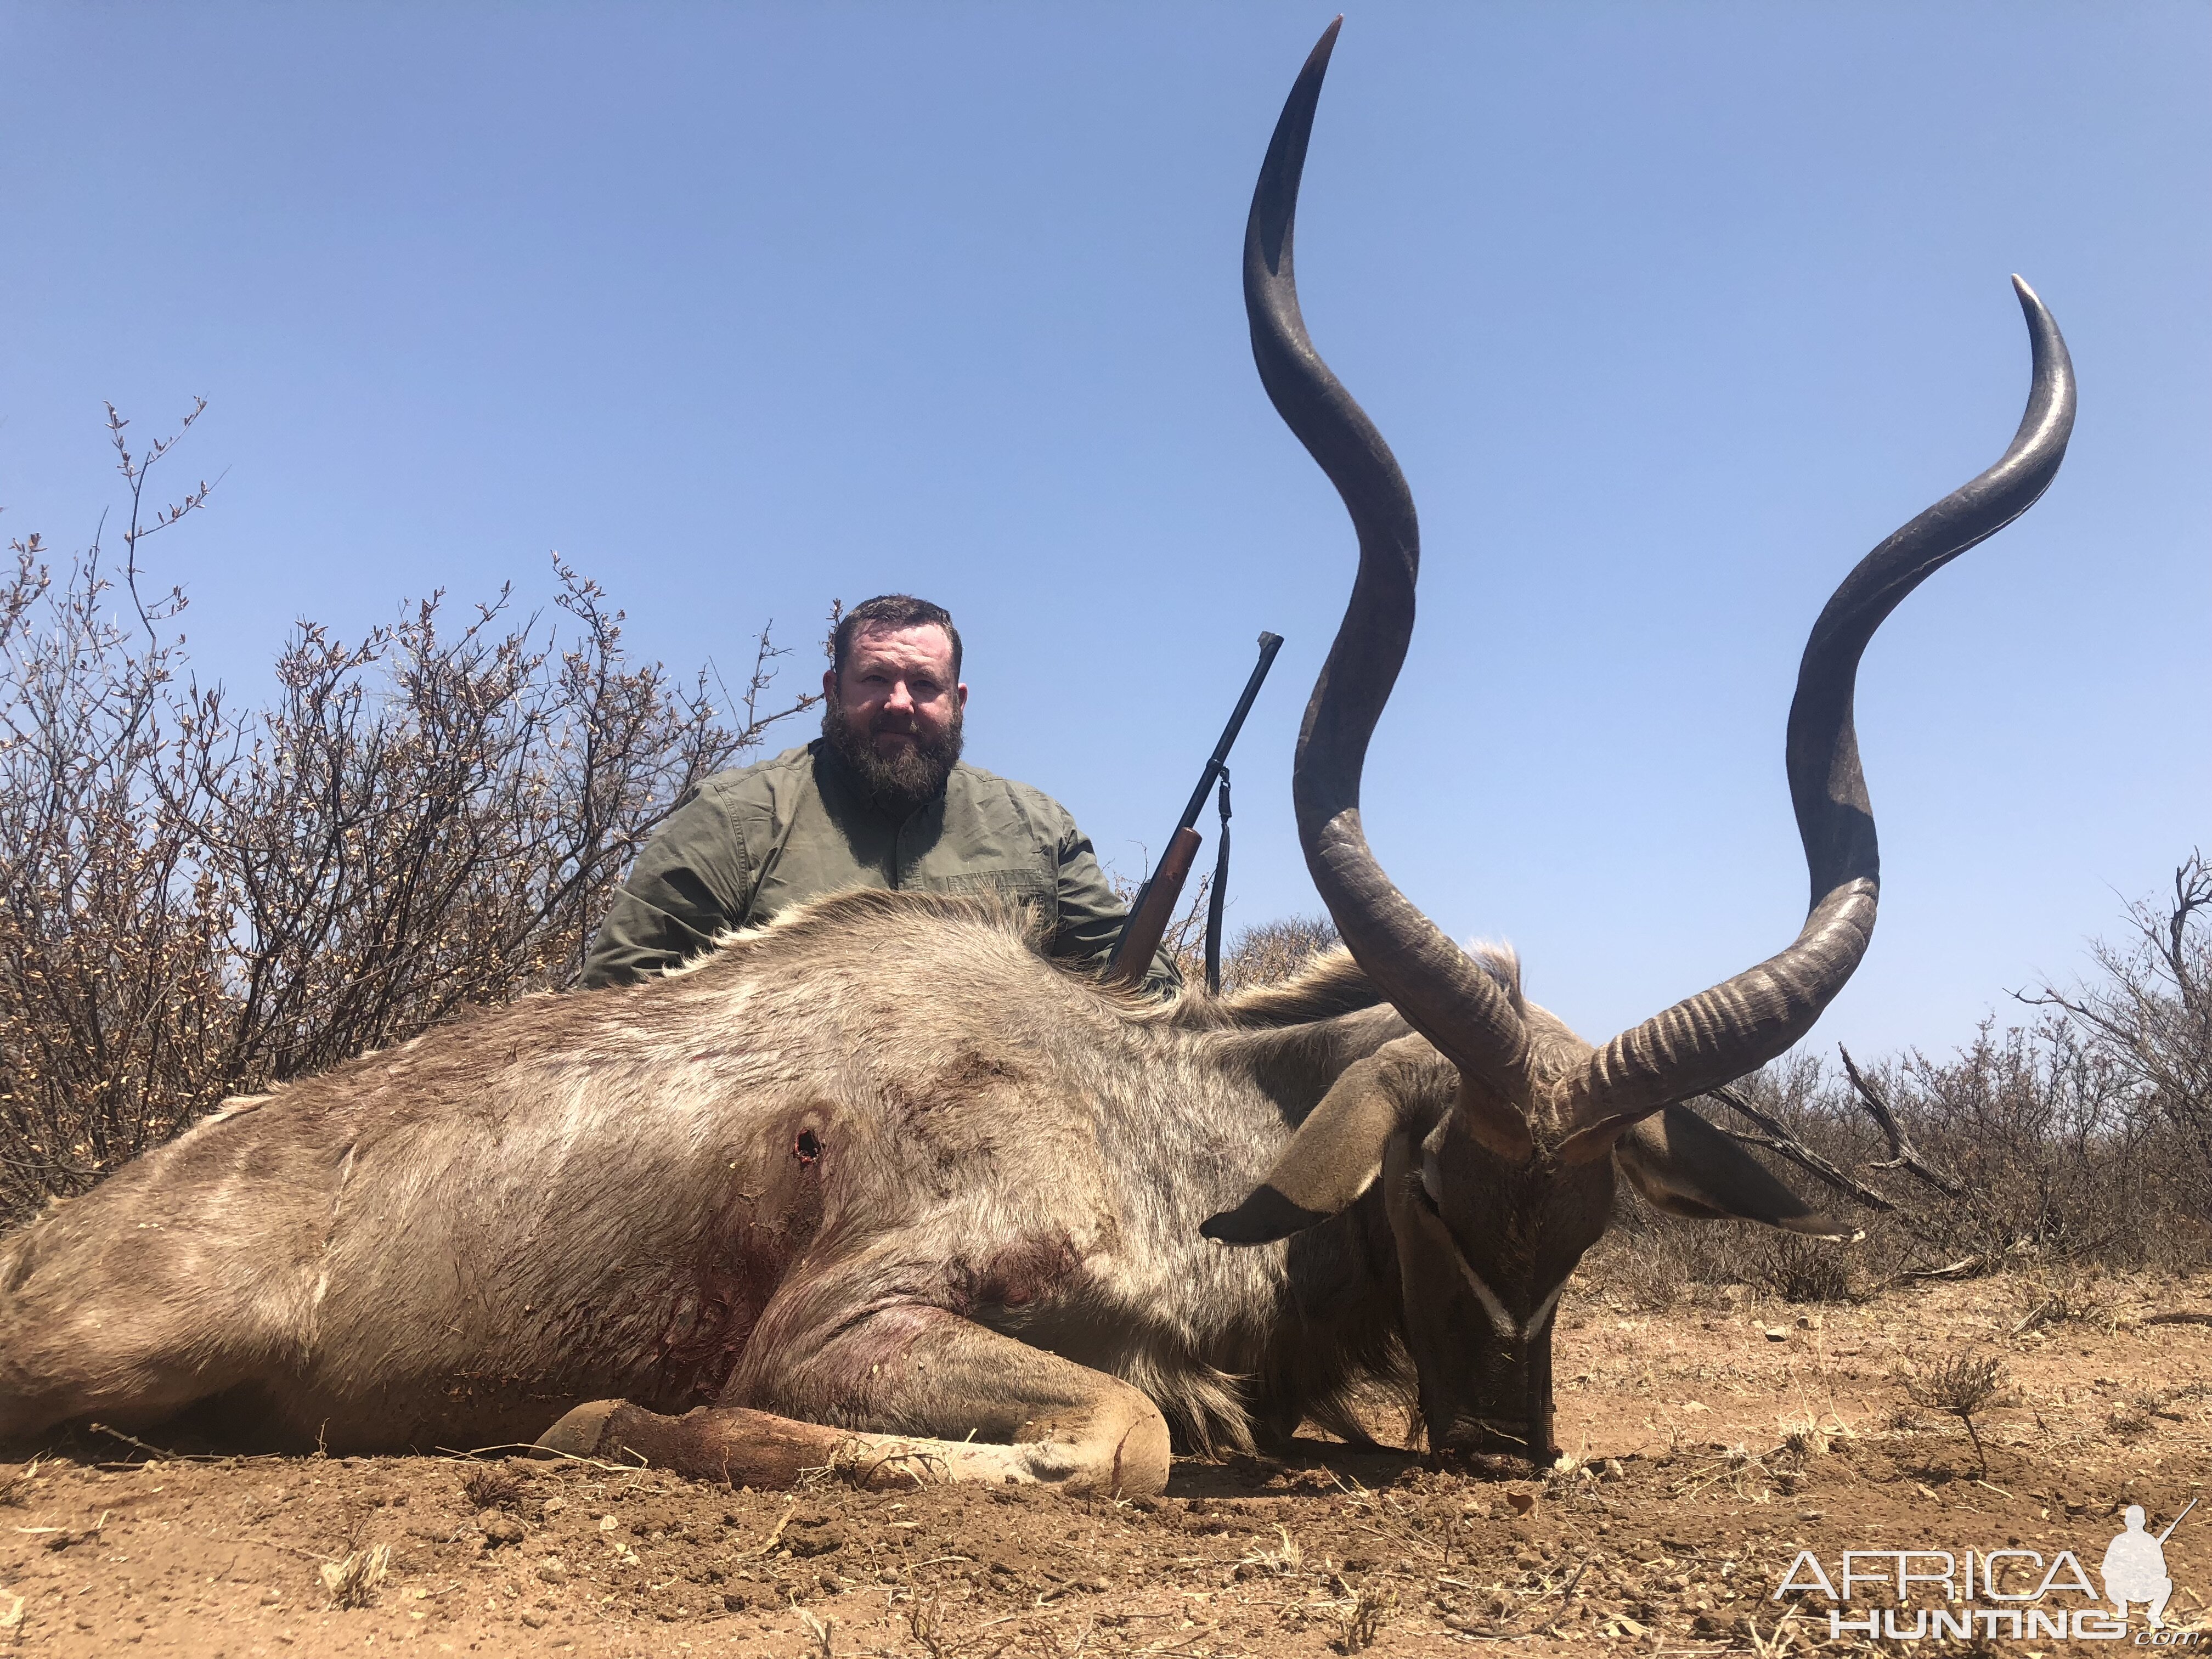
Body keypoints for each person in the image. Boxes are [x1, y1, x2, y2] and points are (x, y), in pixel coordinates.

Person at [582, 594, 1178, 990]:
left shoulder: (1038, 829)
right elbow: (618, 1000)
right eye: (875, 680)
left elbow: (1141, 984)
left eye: (924, 684)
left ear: (958, 703)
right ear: (832, 690)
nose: (899, 703)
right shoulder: (733, 817)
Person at [2100, 1505, 2173, 1629]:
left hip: (2144, 1588)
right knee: (2110, 1583)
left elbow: (2162, 1570)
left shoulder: (2151, 1542)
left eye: (2137, 1520)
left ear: (2143, 1522)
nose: (2134, 1523)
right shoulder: (2119, 1541)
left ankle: (2154, 1615)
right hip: (2123, 1588)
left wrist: (2147, 1573)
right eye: (2131, 1520)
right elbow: (2106, 1569)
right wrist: (2123, 1573)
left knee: (2166, 1583)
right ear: (2126, 1521)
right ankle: (2122, 1606)